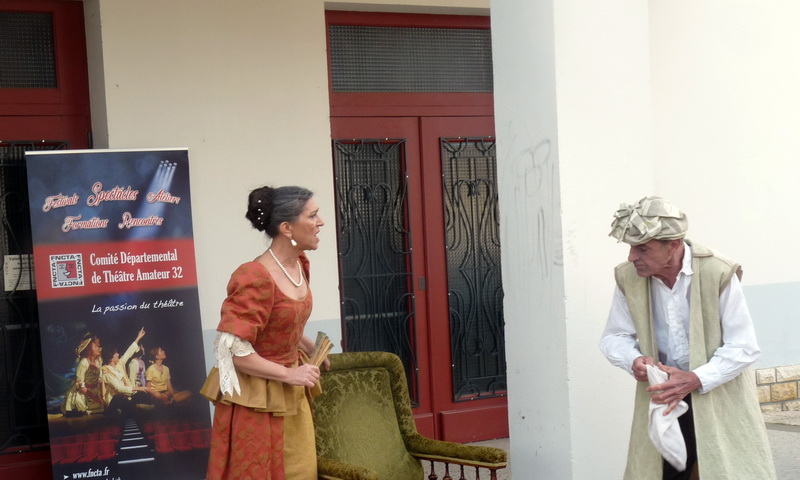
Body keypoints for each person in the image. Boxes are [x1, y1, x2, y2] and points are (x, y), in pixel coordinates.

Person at [599, 196, 776, 480]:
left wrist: (695, 378)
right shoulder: (628, 276)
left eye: (642, 248)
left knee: (726, 467)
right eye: (631, 247)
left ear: (673, 245)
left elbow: (744, 346)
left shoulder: (718, 271)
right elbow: (615, 336)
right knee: (660, 471)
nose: (632, 257)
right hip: (664, 394)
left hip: (716, 390)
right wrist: (633, 359)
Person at [201, 185, 326, 480]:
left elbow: (280, 321)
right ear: (287, 228)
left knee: (302, 471)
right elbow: (232, 351)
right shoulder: (255, 276)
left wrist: (305, 343)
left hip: (291, 394)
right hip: (256, 399)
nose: (320, 222)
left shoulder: (300, 264)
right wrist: (289, 375)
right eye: (312, 216)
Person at [101, 327, 151, 415]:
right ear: (110, 358)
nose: (118, 354)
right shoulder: (106, 372)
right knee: (120, 397)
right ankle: (137, 407)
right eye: (115, 353)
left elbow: (128, 353)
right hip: (115, 402)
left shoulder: (119, 364)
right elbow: (119, 388)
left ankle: (151, 407)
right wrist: (138, 388)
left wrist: (138, 337)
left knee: (144, 394)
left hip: (126, 397)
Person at [61, 334, 104, 416]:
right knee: (82, 407)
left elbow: (100, 379)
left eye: (98, 346)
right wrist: (94, 397)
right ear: (89, 350)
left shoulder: (98, 361)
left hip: (95, 390)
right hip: (84, 392)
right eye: (95, 347)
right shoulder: (84, 363)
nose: (98, 348)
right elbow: (81, 386)